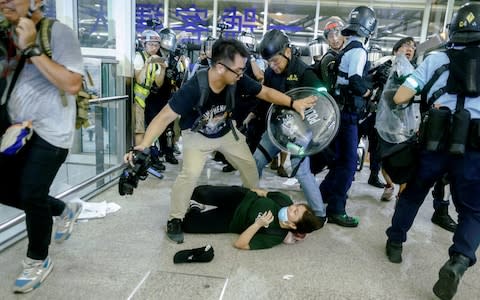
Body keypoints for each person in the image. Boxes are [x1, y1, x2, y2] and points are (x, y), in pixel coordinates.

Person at [125, 38, 316, 244]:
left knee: (249, 166)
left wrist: (293, 103)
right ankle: (175, 219)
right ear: (219, 67)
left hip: (226, 132)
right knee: (189, 175)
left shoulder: (237, 78)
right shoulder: (194, 87)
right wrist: (143, 145)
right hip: (197, 135)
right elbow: (163, 116)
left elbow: (265, 92)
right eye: (238, 69)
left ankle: (253, 204)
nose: (242, 74)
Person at [385, 3, 480, 299]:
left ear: (452, 31)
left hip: (434, 144)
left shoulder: (436, 58)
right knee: (473, 211)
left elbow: (401, 96)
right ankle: (460, 259)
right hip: (474, 151)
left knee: (413, 194)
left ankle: (396, 243)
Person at [0, 0, 83, 293]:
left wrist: (32, 48)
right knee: (7, 190)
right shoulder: (5, 34)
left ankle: (38, 259)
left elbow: (72, 84)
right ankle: (62, 209)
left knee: (32, 193)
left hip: (52, 133)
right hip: (16, 132)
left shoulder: (58, 33)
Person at [252, 29, 327, 225]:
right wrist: (251, 115)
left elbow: (322, 99)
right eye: (269, 62)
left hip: (300, 134)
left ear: (288, 52)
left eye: (275, 61)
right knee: (256, 161)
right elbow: (265, 97)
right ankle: (250, 198)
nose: (272, 66)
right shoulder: (270, 73)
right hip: (277, 129)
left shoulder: (305, 72)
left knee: (302, 172)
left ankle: (319, 214)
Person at [319, 6, 377, 227]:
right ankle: (336, 208)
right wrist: (369, 92)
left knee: (341, 159)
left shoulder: (347, 49)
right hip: (348, 113)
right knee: (349, 163)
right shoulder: (359, 50)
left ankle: (323, 193)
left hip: (339, 111)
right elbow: (354, 79)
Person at [182, 185, 322, 250]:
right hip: (240, 198)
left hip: (231, 221)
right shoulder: (284, 200)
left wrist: (258, 224)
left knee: (188, 225)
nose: (292, 207)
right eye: (296, 206)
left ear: (292, 225)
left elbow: (240, 244)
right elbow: (262, 192)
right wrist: (243, 191)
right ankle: (202, 202)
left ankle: (197, 208)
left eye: (295, 212)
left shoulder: (275, 235)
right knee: (199, 192)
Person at [144, 27, 179, 166]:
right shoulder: (154, 55)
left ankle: (167, 151)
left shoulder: (174, 56)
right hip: (153, 96)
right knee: (153, 124)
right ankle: (153, 155)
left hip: (168, 95)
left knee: (168, 126)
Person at [133, 29, 166, 172]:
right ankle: (138, 163)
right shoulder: (139, 57)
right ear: (144, 44)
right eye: (151, 44)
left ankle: (145, 159)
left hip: (146, 99)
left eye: (157, 45)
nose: (154, 48)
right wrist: (147, 64)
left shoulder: (156, 61)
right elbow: (139, 79)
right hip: (136, 99)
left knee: (149, 128)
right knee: (139, 130)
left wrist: (163, 68)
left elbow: (158, 83)